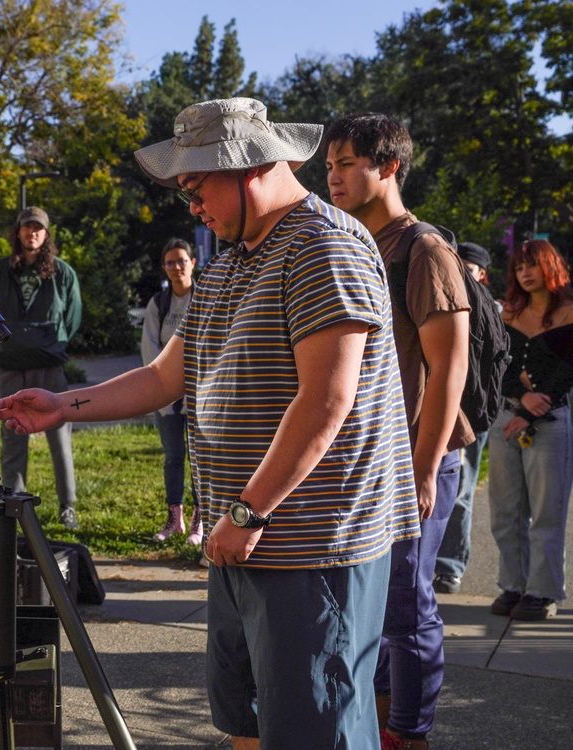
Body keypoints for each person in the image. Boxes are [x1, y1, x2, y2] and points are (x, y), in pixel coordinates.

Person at [0, 97, 420, 750]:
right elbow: (165, 376)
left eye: (196, 187)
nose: (191, 207)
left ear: (248, 167)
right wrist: (63, 407)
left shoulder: (324, 246)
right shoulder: (231, 263)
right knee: (246, 717)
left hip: (309, 544)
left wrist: (250, 510)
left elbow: (327, 400)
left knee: (315, 729)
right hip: (243, 537)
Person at [324, 113, 474, 750]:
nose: (332, 178)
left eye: (346, 164)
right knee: (373, 607)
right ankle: (379, 723)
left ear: (387, 167)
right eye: (328, 166)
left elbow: (450, 369)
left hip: (419, 457)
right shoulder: (354, 242)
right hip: (372, 457)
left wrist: (421, 466)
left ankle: (408, 735)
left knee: (407, 609)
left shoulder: (425, 250)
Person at [487, 239, 573, 621]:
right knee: (505, 511)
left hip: (551, 422)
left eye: (532, 264)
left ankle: (542, 593)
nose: (524, 271)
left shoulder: (570, 313)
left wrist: (536, 407)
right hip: (507, 418)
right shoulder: (506, 315)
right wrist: (521, 399)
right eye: (519, 265)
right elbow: (494, 368)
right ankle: (513, 586)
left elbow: (567, 371)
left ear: (550, 266)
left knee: (546, 513)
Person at [0, 206, 82, 529]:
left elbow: (73, 318)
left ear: (46, 234)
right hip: (11, 367)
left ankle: (67, 506)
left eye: (38, 229)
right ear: (17, 233)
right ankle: (15, 502)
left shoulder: (62, 272)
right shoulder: (0, 270)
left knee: (60, 440)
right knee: (12, 438)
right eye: (27, 228)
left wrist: (48, 345)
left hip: (49, 368)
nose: (32, 233)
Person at [434, 242, 495, 594]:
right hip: (441, 406)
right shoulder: (443, 296)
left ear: (482, 275)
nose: (462, 274)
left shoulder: (489, 308)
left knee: (460, 490)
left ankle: (450, 566)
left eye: (469, 269)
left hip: (469, 412)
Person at [140, 238, 200, 545]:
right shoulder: (159, 304)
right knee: (173, 456)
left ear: (192, 262)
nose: (176, 267)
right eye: (170, 262)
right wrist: (164, 386)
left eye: (181, 261)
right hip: (168, 396)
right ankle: (173, 519)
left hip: (202, 394)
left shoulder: (205, 297)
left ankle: (198, 522)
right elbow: (150, 349)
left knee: (201, 458)